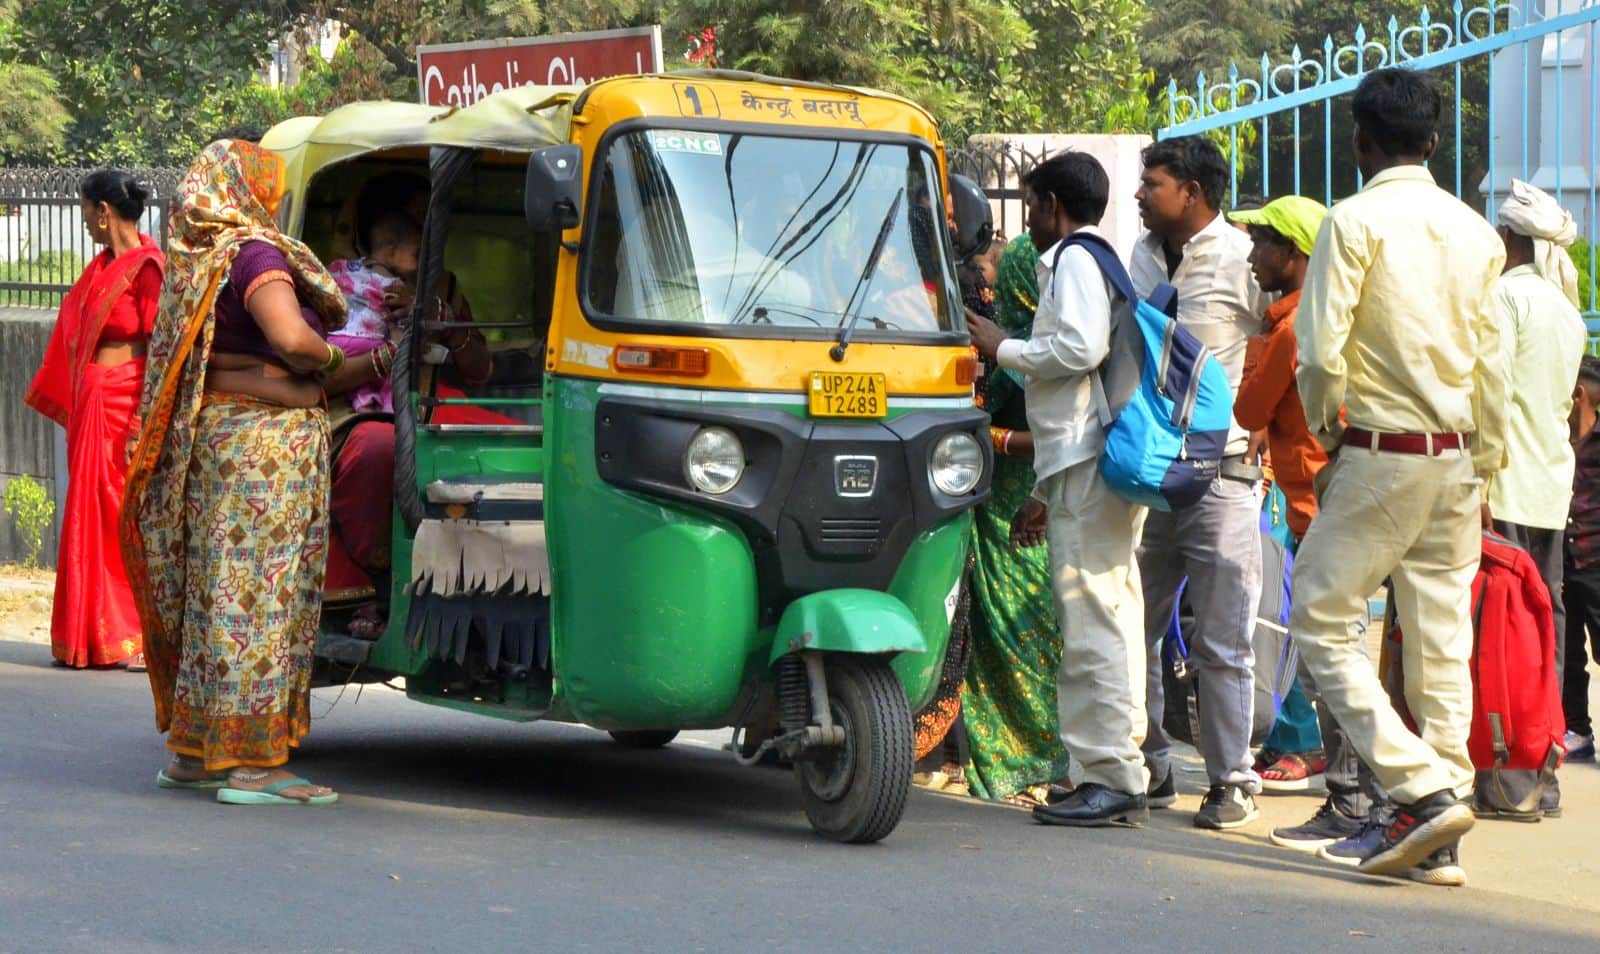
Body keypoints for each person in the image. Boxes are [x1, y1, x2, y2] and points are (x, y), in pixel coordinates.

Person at [1290, 67, 1508, 884]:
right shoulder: (1476, 231)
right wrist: (1484, 462)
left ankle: (1419, 791)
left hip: (1383, 450)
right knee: (1442, 641)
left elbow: (1319, 351)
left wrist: (1326, 427)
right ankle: (1441, 829)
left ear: (1360, 141)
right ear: (1434, 141)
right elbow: (1492, 364)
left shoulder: (1353, 220)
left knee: (1317, 616)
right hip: (1457, 455)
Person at [121, 139, 348, 804]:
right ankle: (253, 766)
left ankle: (195, 753)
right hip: (263, 460)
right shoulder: (253, 254)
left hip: (218, 444)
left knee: (216, 598)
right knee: (261, 605)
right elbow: (291, 339)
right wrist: (330, 362)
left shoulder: (199, 261)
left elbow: (214, 361)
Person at [967, 151, 1150, 828]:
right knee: (1114, 610)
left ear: (1051, 205)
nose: (1030, 220)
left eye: (1032, 204)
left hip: (1087, 462)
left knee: (1091, 618)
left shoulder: (1074, 258)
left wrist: (1001, 347)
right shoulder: (1100, 257)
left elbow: (1076, 349)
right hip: (1095, 460)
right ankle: (1117, 763)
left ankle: (1110, 774)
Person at [1227, 195, 1389, 852]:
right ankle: (1355, 796)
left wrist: (1260, 343)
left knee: (1332, 658)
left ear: (1294, 256)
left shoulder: (1293, 329)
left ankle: (1356, 801)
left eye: (1261, 242)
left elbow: (1248, 406)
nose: (1251, 255)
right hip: (1338, 503)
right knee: (1336, 655)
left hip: (1319, 510)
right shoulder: (1334, 319)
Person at [1129, 135, 1267, 830]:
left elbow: (1278, 343)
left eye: (1151, 183)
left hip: (1222, 475)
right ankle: (1149, 765)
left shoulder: (1243, 258)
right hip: (1148, 475)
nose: (1139, 196)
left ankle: (1231, 781)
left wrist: (1264, 428)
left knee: (1222, 639)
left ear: (1192, 190)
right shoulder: (1142, 255)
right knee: (1135, 628)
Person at [1474, 179, 1589, 819]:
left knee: (1500, 635)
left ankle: (1506, 779)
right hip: (1550, 487)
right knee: (1546, 634)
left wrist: (1481, 478)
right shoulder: (1566, 308)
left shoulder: (1505, 299)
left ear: (1510, 239)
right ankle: (1542, 775)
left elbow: (1490, 396)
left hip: (1507, 487)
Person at [24, 170, 163, 670]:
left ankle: (140, 633)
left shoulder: (147, 268)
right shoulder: (101, 267)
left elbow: (160, 351)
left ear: (103, 212)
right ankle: (89, 637)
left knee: (123, 515)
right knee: (90, 517)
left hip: (124, 405)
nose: (82, 220)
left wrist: (140, 423)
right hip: (94, 404)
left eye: (84, 210)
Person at [956, 233, 1070, 808]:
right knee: (1000, 633)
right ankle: (1002, 757)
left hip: (1028, 500)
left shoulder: (1039, 354)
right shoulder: (1019, 342)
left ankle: (1033, 757)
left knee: (1029, 635)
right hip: (1003, 500)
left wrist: (991, 437)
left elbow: (1057, 432)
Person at [327, 210, 424, 414]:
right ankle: (389, 410)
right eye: (416, 255)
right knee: (394, 369)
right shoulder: (394, 285)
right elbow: (399, 322)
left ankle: (363, 404)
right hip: (370, 342)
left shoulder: (341, 267)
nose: (419, 263)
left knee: (360, 378)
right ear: (391, 252)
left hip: (334, 342)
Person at [1562, 356, 1600, 764]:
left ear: (1579, 394)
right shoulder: (1554, 443)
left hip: (1597, 562)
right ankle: (1578, 731)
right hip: (1566, 563)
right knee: (1568, 652)